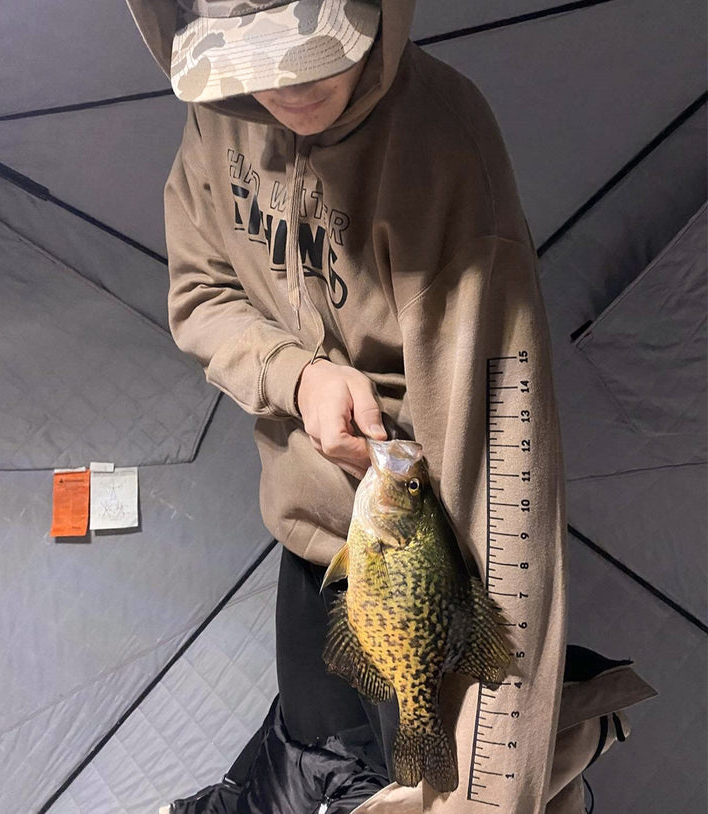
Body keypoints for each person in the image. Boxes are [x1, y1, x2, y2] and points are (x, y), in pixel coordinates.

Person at [126, 1, 607, 811]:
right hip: (304, 531)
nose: (285, 85)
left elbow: (504, 478)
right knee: (311, 752)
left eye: (312, 51)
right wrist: (298, 374)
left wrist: (492, 786)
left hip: (431, 552)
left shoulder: (446, 143)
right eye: (254, 61)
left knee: (437, 777)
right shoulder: (215, 115)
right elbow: (199, 293)